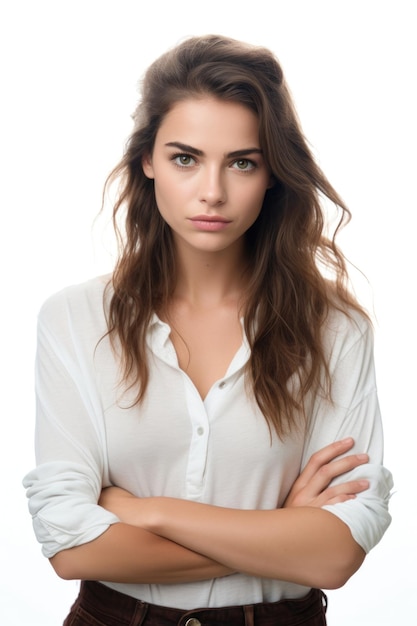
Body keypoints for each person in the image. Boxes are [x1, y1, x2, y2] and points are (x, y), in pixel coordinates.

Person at [23, 34, 393, 625]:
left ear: (273, 172)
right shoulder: (74, 318)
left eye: (242, 162)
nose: (213, 192)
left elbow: (334, 555)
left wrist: (148, 512)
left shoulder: (336, 328)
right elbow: (71, 548)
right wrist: (278, 532)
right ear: (148, 161)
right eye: (185, 158)